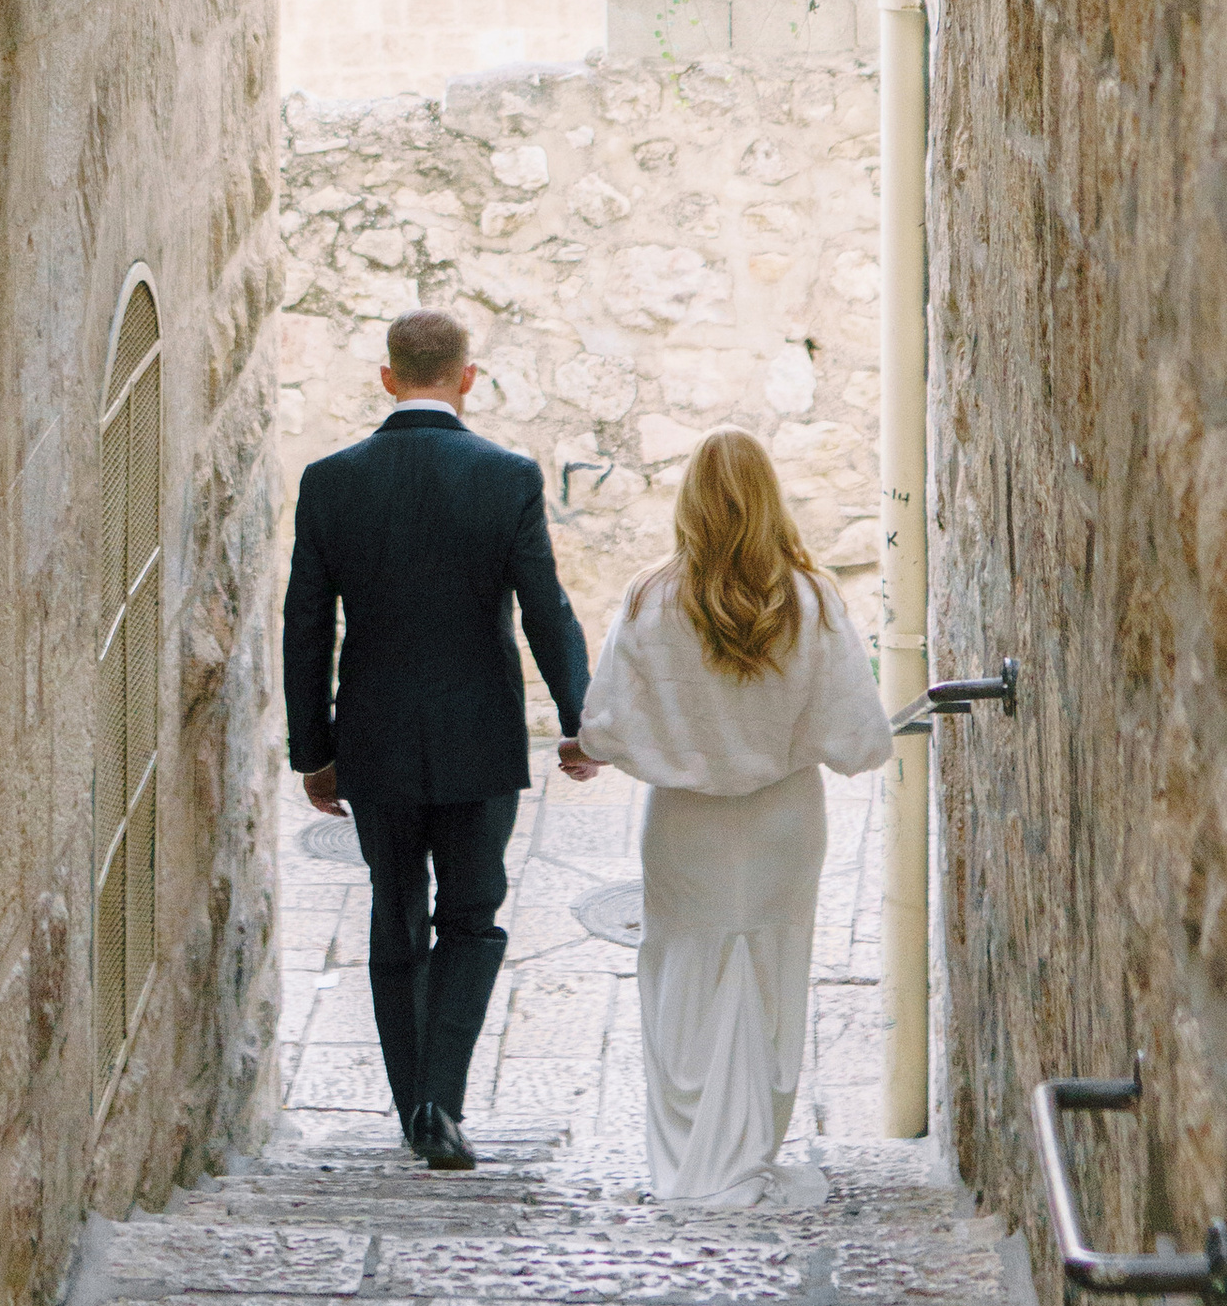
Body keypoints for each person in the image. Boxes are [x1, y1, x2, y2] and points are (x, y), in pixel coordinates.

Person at [282, 307, 593, 1172]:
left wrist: (313, 747)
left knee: (395, 911)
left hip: (375, 736)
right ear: (467, 377)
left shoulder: (330, 480)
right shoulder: (507, 478)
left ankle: (410, 1100)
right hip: (478, 737)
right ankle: (440, 1102)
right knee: (473, 918)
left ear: (388, 377)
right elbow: (545, 609)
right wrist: (581, 721)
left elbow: (307, 625)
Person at [567, 428, 891, 1203]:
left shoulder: (650, 598)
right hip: (783, 821)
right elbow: (860, 738)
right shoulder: (811, 600)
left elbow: (604, 726)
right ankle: (750, 1146)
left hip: (685, 825)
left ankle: (688, 1160)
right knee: (773, 972)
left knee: (681, 971)